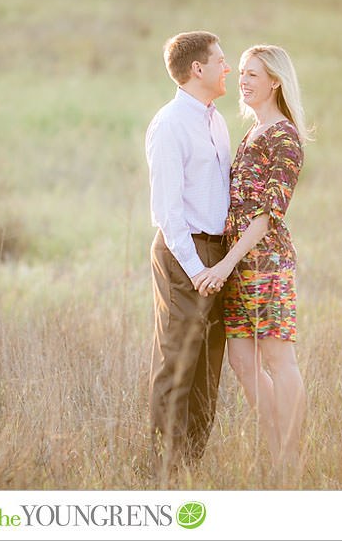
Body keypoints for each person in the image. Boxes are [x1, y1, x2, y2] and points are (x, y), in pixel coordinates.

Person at [193, 44, 310, 474]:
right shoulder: (251, 133)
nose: (242, 81)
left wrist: (225, 264)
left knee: (280, 360)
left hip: (265, 264)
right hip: (237, 264)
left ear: (275, 82)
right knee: (242, 361)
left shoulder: (284, 136)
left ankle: (289, 458)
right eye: (241, 72)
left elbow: (268, 212)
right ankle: (275, 443)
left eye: (253, 75)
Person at [145, 30, 232, 477]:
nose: (228, 68)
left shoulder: (217, 120)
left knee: (208, 364)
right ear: (197, 69)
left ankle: (191, 468)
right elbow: (167, 212)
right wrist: (197, 269)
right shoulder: (170, 124)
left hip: (218, 253)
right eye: (220, 59)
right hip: (185, 254)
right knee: (177, 362)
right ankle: (164, 471)